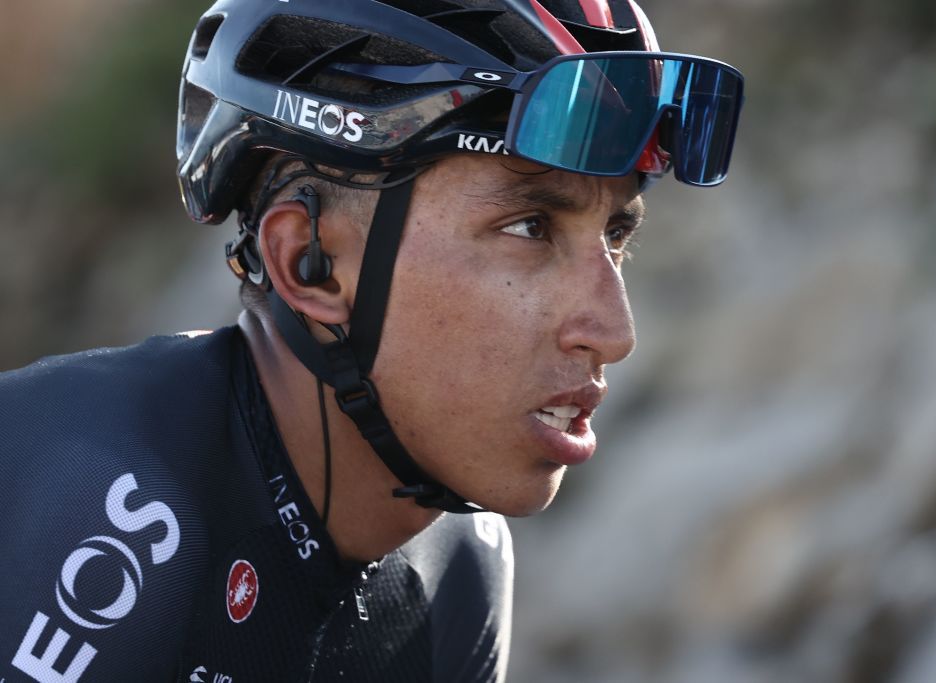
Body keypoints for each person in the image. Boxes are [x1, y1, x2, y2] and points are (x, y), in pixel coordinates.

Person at [0, 0, 743, 680]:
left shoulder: (461, 568)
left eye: (615, 235)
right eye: (530, 226)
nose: (614, 333)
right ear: (311, 262)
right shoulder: (81, 504)